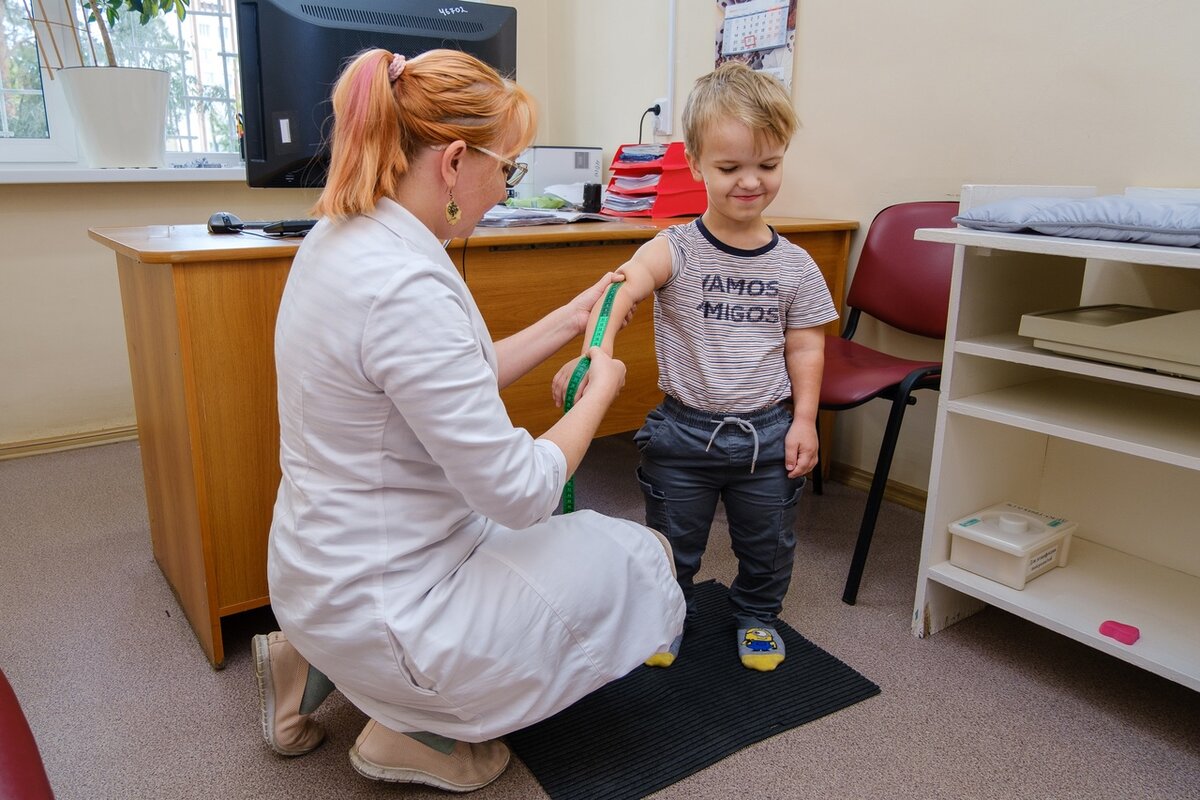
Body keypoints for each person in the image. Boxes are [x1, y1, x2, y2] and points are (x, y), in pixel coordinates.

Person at [252, 48, 684, 792]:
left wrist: (570, 317)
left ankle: (307, 656)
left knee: (533, 547)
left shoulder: (343, 238)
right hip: (386, 604)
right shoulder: (406, 285)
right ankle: (408, 732)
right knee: (639, 558)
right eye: (507, 169)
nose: (505, 188)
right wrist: (597, 395)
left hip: (314, 576)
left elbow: (448, 374)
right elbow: (519, 492)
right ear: (453, 161)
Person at [554, 61, 837, 673]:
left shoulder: (796, 265)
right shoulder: (674, 247)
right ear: (695, 165)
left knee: (767, 543)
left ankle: (758, 615)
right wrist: (595, 349)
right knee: (672, 542)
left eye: (768, 165)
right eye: (730, 168)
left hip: (766, 435)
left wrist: (805, 421)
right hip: (682, 435)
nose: (751, 182)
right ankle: (666, 615)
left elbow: (807, 347)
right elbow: (625, 285)